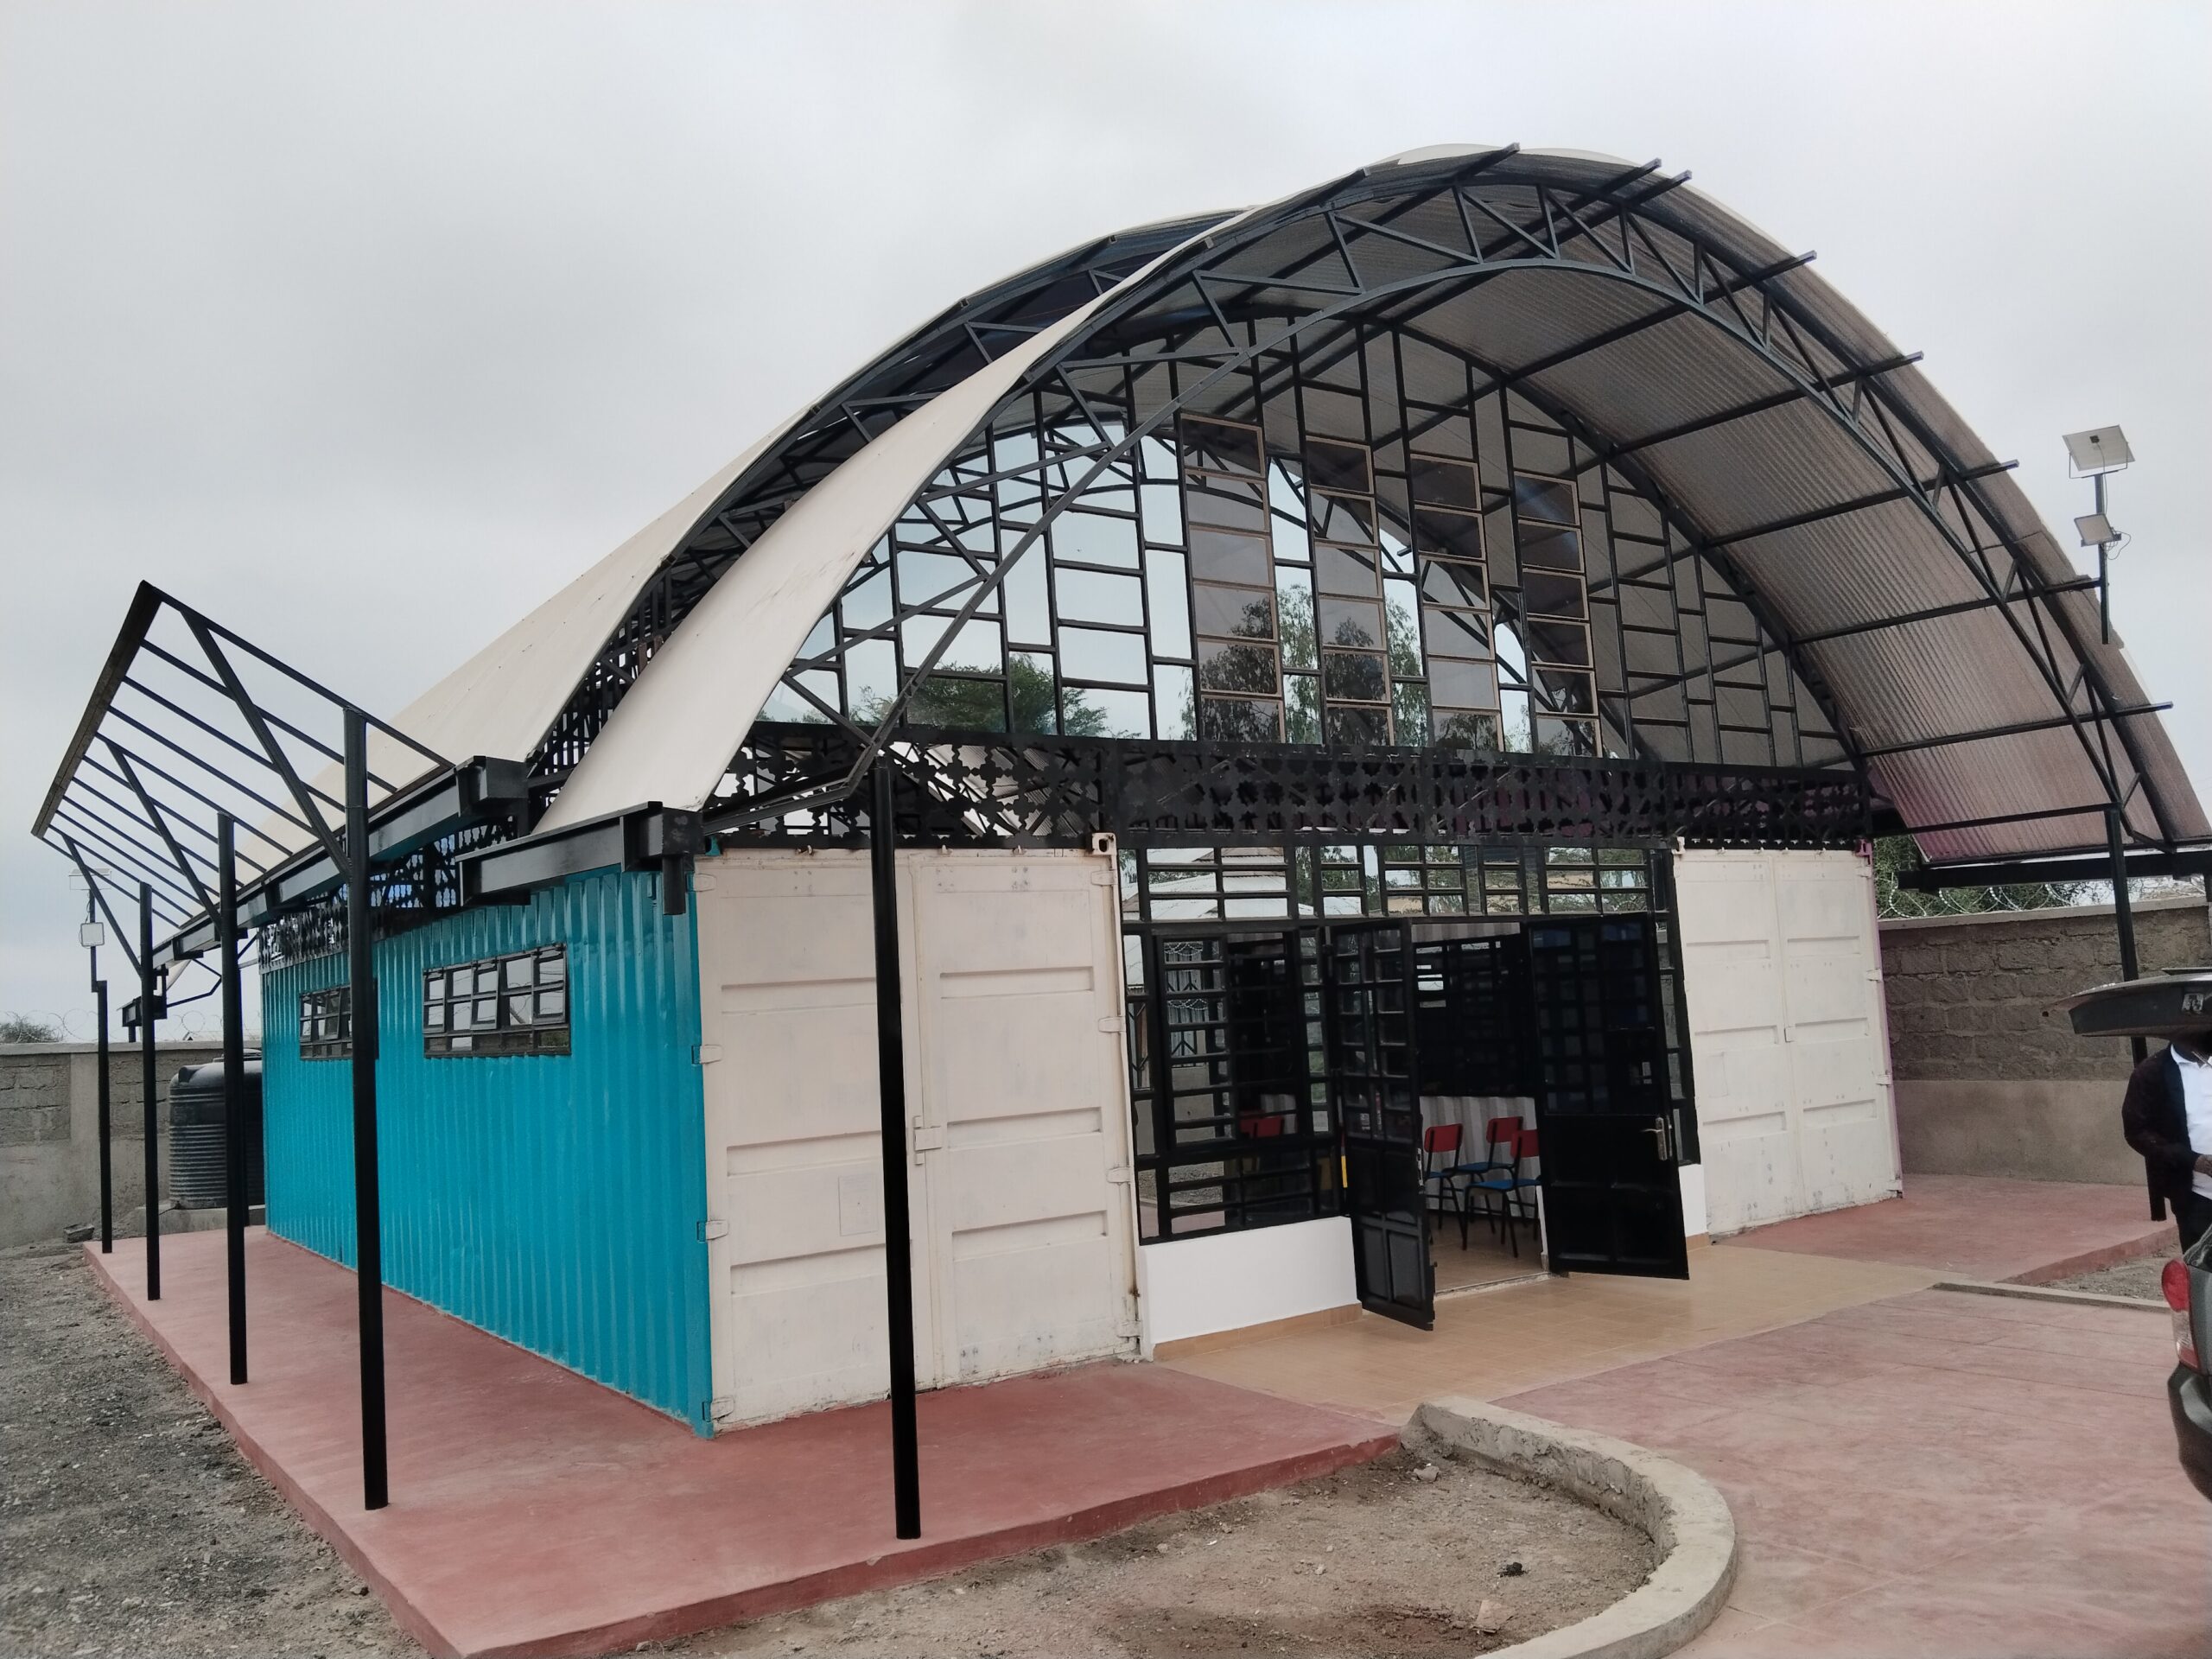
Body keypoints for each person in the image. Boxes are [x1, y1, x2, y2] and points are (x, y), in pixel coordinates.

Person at [2122, 1030, 2212, 1250]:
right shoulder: (2151, 1073)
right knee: (2201, 1268)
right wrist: (2193, 1160)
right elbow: (2137, 1131)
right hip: (2195, 1194)